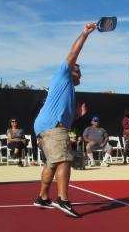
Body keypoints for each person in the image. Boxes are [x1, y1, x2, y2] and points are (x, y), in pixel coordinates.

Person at [33, 22, 94, 217]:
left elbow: (66, 117)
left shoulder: (68, 91)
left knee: (52, 163)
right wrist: (85, 33)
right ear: (71, 70)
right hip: (52, 127)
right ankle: (63, 199)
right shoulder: (63, 73)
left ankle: (42, 197)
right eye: (78, 70)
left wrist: (78, 116)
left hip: (47, 126)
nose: (80, 73)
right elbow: (73, 53)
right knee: (65, 160)